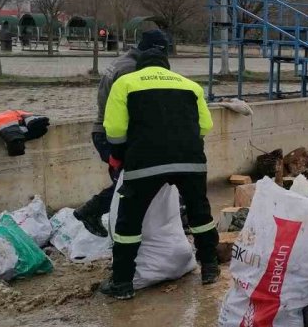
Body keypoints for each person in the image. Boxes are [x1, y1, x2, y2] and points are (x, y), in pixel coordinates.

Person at [99, 47, 219, 299]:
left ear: (140, 66)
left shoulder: (126, 83)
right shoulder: (190, 85)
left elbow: (115, 130)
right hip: (190, 161)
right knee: (200, 214)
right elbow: (205, 126)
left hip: (145, 162)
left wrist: (120, 155)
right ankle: (210, 267)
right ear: (167, 67)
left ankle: (122, 282)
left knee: (129, 222)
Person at [74, 29, 170, 238]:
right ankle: (93, 212)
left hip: (105, 132)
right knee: (131, 186)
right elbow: (135, 111)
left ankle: (102, 217)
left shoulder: (125, 61)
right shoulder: (131, 70)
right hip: (114, 135)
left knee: (130, 184)